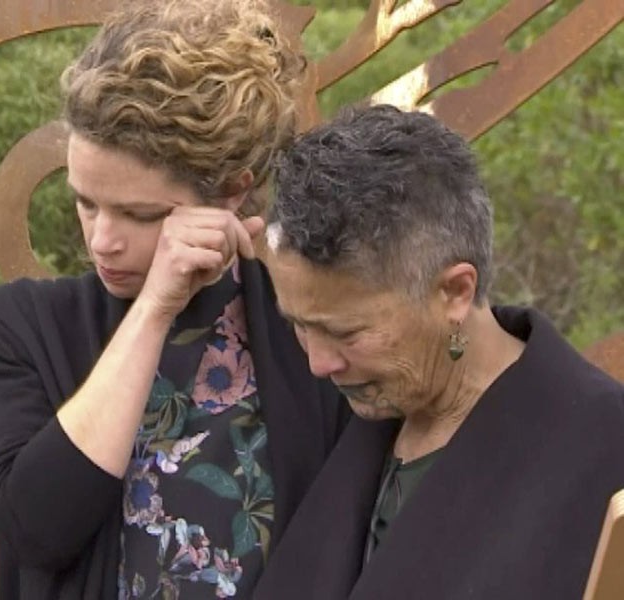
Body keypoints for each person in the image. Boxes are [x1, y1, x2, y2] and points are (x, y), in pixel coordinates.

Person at [0, 2, 348, 598]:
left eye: (139, 214)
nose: (101, 240)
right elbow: (34, 530)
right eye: (86, 202)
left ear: (231, 192)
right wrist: (152, 310)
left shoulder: (310, 336)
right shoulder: (23, 326)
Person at [253, 104, 624, 599]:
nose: (319, 363)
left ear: (455, 291)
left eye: (347, 333)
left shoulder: (603, 452)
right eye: (298, 325)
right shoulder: (342, 418)